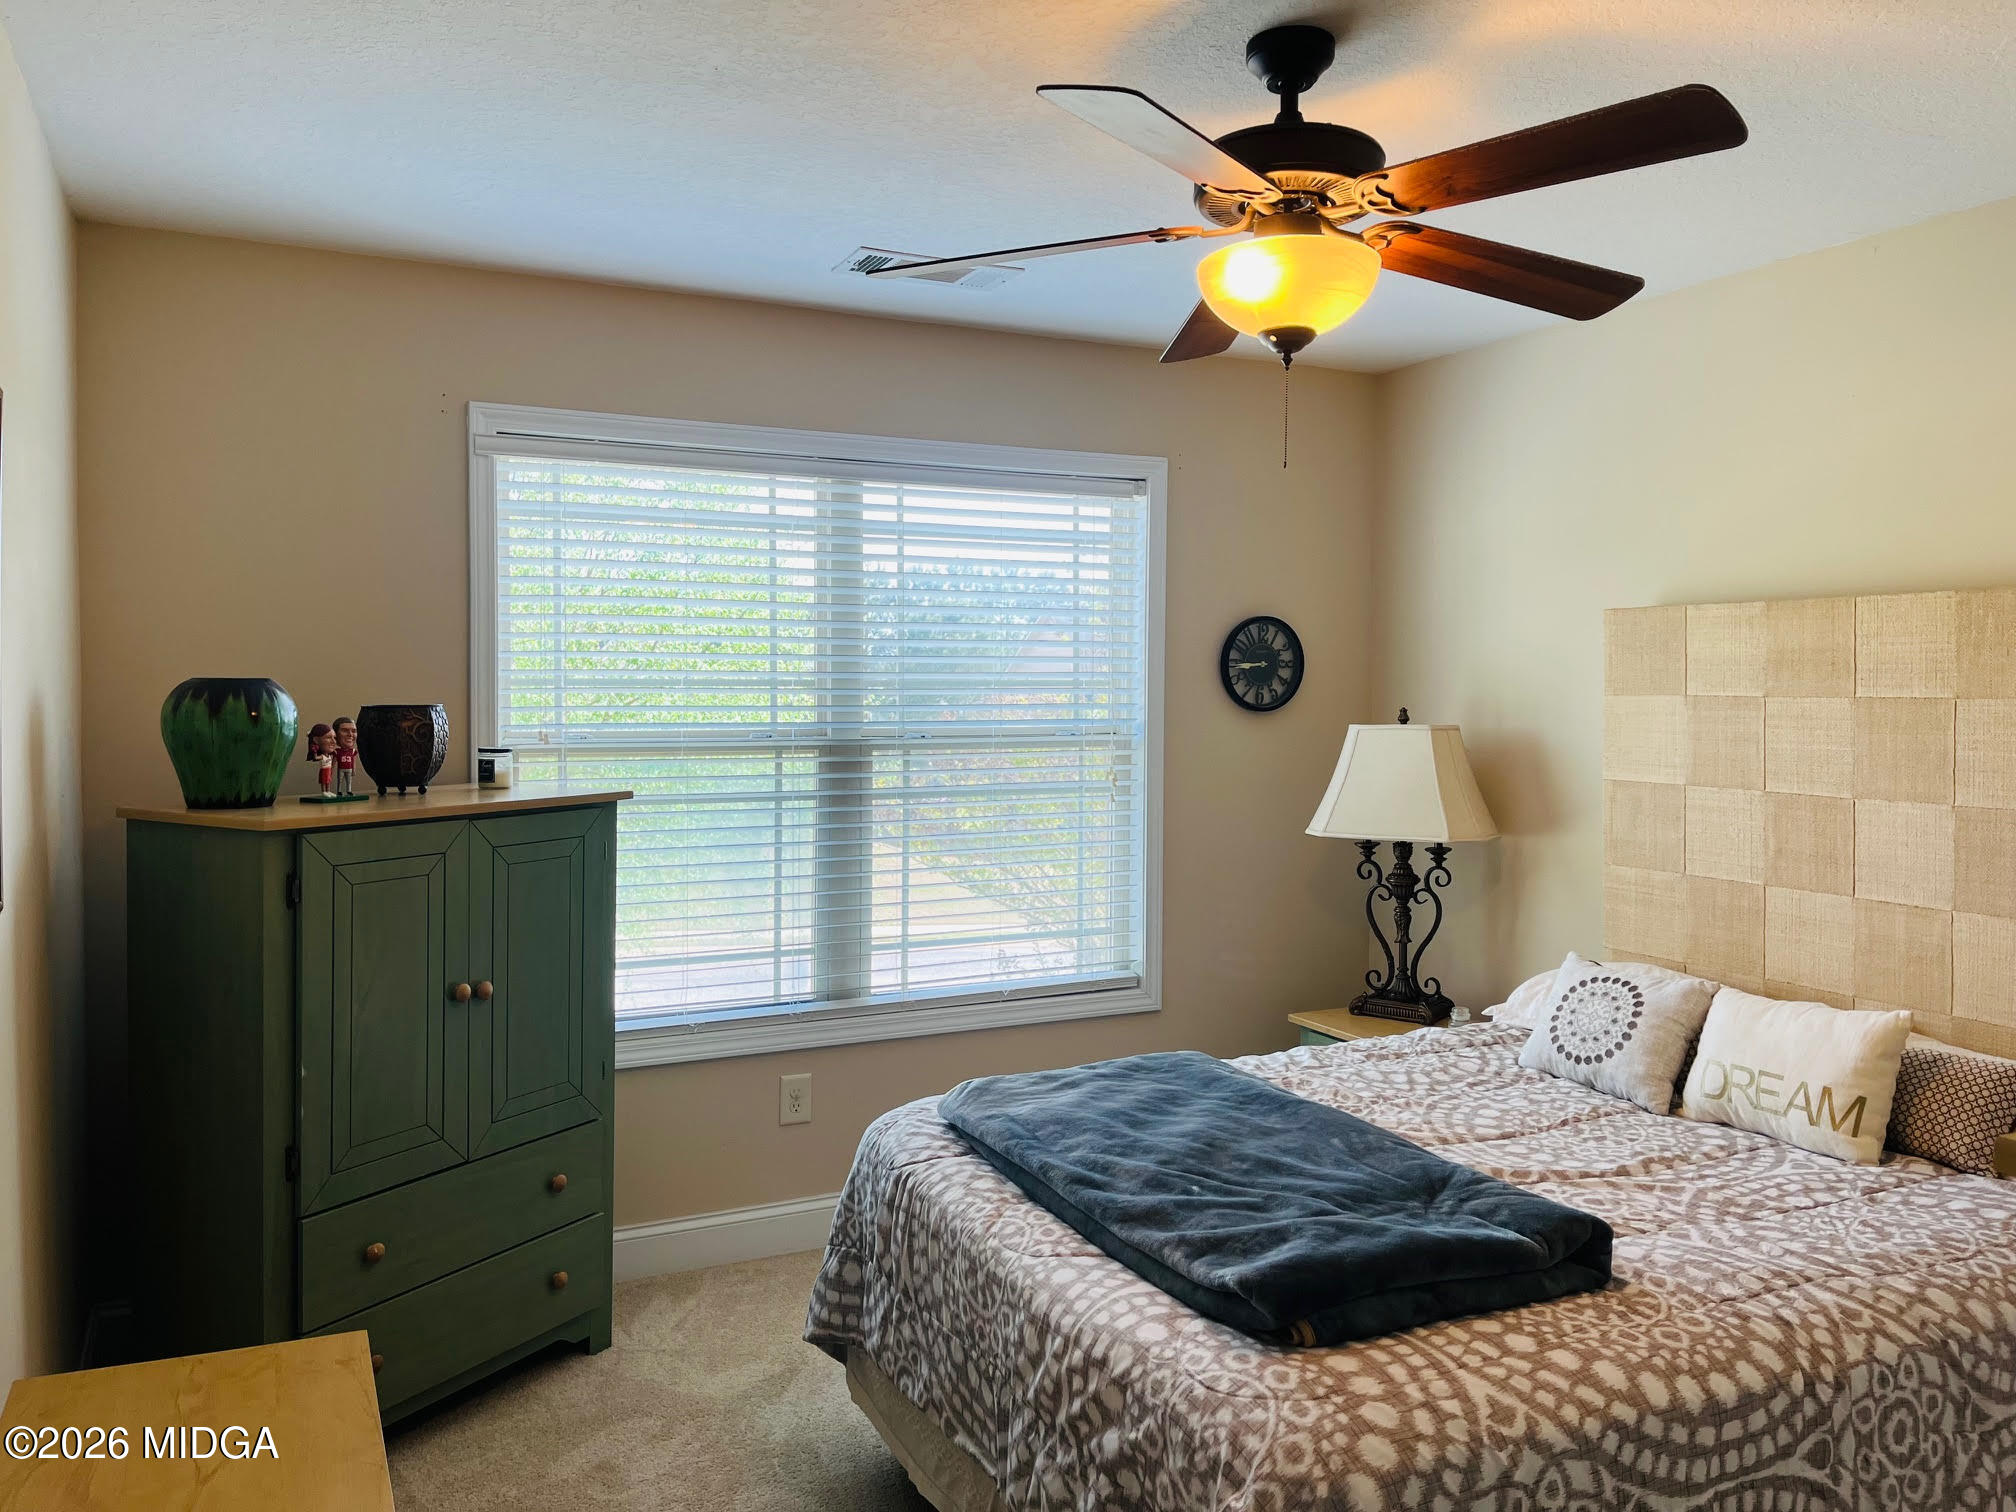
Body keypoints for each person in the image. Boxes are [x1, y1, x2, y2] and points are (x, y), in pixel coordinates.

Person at [304, 722, 335, 798]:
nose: (334, 741)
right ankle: (324, 791)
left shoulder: (330, 755)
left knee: (328, 781)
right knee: (324, 781)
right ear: (316, 740)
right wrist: (314, 751)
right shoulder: (322, 756)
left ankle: (328, 791)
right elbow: (315, 758)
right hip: (324, 771)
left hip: (328, 770)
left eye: (334, 738)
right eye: (328, 737)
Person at [333, 716, 359, 797]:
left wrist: (354, 770)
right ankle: (339, 791)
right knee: (340, 780)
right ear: (335, 734)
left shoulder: (353, 751)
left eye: (354, 731)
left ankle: (349, 791)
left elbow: (353, 761)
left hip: (349, 769)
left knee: (349, 780)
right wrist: (331, 770)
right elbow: (333, 762)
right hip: (341, 769)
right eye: (345, 730)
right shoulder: (337, 752)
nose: (350, 734)